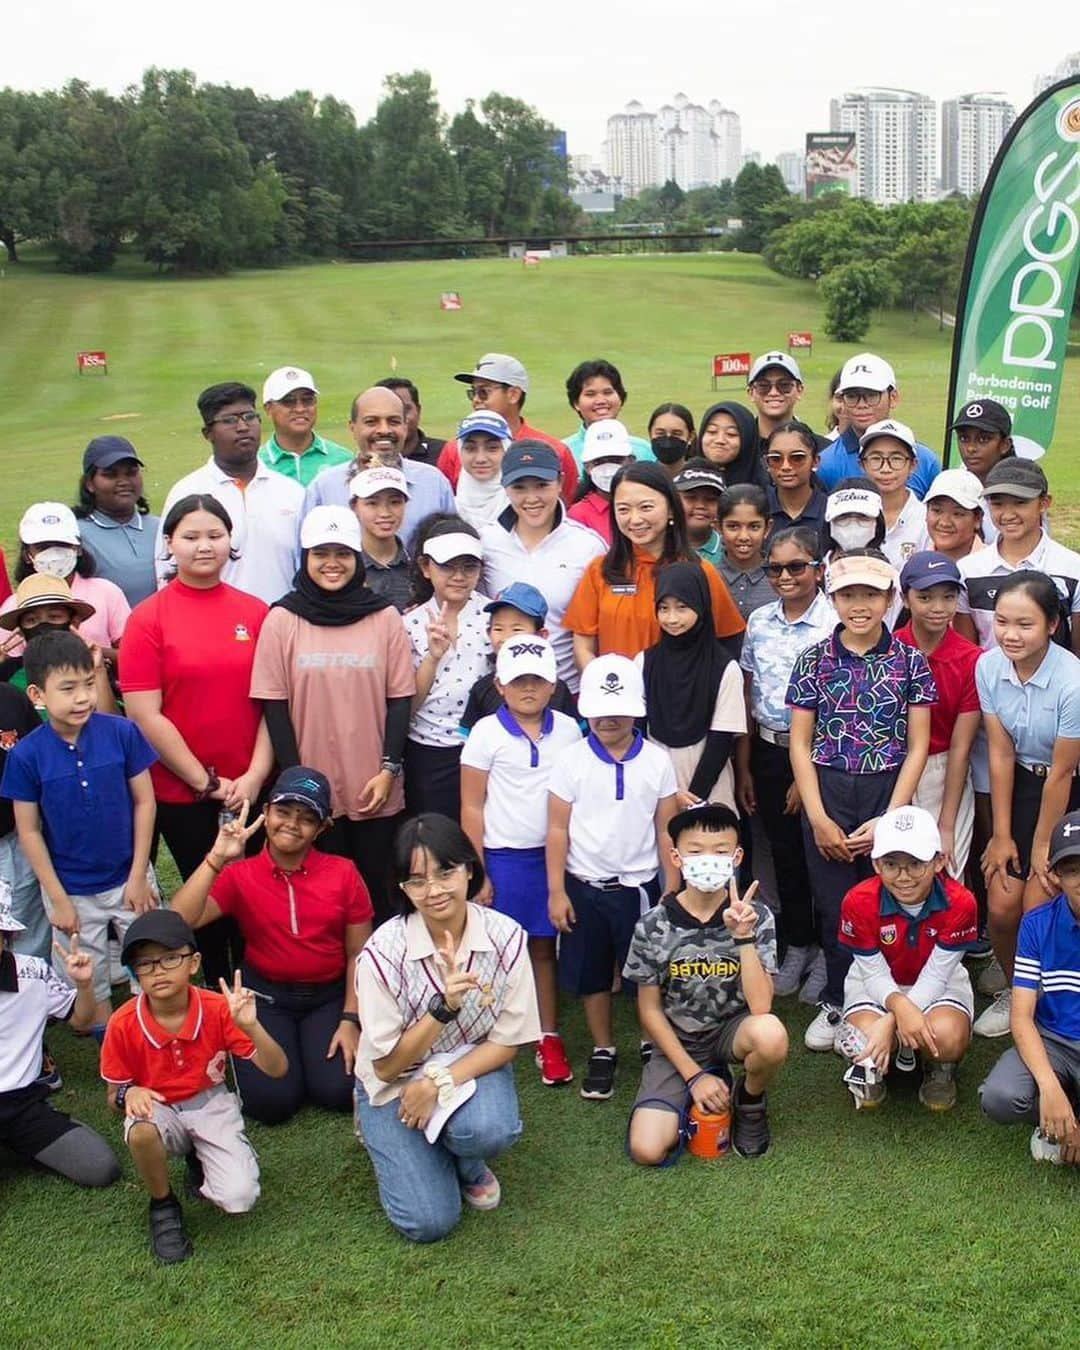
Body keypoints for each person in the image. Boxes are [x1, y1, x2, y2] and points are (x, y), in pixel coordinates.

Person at [354, 814, 540, 1243]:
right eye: (416, 880)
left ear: (469, 870)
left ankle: (464, 1157)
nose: (434, 891)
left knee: (489, 1128)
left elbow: (507, 1042)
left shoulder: (506, 938)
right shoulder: (382, 954)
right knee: (429, 1222)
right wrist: (443, 1009)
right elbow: (385, 1067)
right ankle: (392, 1133)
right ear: (402, 887)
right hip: (394, 1079)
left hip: (467, 1065)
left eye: (445, 872)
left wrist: (437, 1082)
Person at [121, 494, 273, 986]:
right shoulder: (148, 618)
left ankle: (257, 988)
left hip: (251, 787)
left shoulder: (256, 612)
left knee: (253, 892)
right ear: (170, 544)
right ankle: (212, 989)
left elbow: (273, 703)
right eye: (190, 536)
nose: (204, 546)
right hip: (183, 793)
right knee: (203, 896)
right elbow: (146, 712)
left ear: (231, 542)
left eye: (215, 535)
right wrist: (205, 782)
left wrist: (251, 778)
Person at [787, 550, 936, 1051]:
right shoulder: (813, 659)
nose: (859, 605)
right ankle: (839, 998)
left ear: (890, 599)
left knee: (888, 899)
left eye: (871, 594)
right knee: (835, 905)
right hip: (828, 790)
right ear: (832, 599)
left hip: (886, 789)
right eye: (848, 594)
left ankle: (885, 1002)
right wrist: (818, 818)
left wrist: (890, 819)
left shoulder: (909, 660)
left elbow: (918, 745)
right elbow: (800, 744)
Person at [169, 774, 373, 1124]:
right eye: (284, 812)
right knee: (270, 1104)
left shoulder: (343, 873)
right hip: (263, 996)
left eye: (307, 818)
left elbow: (359, 953)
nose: (292, 825)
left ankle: (310, 1055)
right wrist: (217, 858)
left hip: (327, 996)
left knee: (337, 1090)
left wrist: (350, 1019)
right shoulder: (241, 874)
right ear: (265, 812)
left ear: (322, 828)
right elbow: (178, 921)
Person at [251, 505, 415, 919]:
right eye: (320, 553)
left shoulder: (384, 618)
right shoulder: (282, 620)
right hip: (311, 789)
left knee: (377, 887)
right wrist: (298, 784)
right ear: (304, 559)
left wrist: (388, 770)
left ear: (357, 559)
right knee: (319, 893)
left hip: (373, 783)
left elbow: (399, 699)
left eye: (342, 553)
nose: (332, 564)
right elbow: (275, 705)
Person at [99, 910, 288, 1264]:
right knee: (141, 1131)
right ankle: (162, 1204)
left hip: (209, 1102)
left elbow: (277, 1069)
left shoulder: (218, 1008)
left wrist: (251, 1027)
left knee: (239, 1197)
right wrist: (130, 1093)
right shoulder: (122, 1022)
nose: (157, 971)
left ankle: (198, 1156)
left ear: (193, 962)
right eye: (145, 964)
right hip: (158, 1109)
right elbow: (114, 1095)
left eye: (170, 958)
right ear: (134, 973)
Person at [2, 630, 157, 1035]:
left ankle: (155, 1034)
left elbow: (145, 802)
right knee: (88, 982)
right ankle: (113, 1044)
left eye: (89, 683)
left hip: (129, 877)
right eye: (68, 688)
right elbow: (30, 831)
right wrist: (57, 898)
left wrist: (139, 875)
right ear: (37, 694)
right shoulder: (26, 755)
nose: (83, 697)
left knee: (153, 960)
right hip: (71, 887)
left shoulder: (121, 733)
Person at [547, 654, 679, 1100]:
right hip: (586, 886)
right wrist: (556, 890)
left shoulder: (657, 761)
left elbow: (666, 828)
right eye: (600, 711)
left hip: (640, 889)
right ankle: (603, 1048)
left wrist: (673, 886)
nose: (608, 719)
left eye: (619, 709)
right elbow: (557, 828)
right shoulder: (571, 761)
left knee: (646, 974)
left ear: (637, 709)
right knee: (592, 975)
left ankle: (650, 1041)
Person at [624, 803, 787, 1163]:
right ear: (676, 856)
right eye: (695, 851)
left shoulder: (756, 916)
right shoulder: (652, 924)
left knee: (771, 1034)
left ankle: (749, 1100)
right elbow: (648, 1010)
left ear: (737, 856)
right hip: (678, 1039)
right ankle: (707, 1082)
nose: (707, 859)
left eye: (720, 851)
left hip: (733, 1030)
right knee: (647, 1149)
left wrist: (743, 937)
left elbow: (761, 1007)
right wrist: (694, 1076)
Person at [461, 636, 582, 1087]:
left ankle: (547, 1035)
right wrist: (478, 871)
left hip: (554, 858)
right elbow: (472, 806)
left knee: (543, 949)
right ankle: (489, 1036)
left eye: (537, 680)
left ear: (553, 684)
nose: (528, 688)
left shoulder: (570, 729)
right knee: (494, 952)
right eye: (518, 681)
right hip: (503, 857)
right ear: (500, 684)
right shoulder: (485, 734)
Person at [974, 572, 1080, 1039]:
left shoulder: (1073, 679)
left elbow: (1061, 772)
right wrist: (1001, 834)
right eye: (1001, 622)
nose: (1010, 635)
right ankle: (1017, 991)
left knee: (1040, 899)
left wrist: (1042, 847)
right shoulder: (988, 667)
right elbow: (999, 753)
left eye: (1025, 624)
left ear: (1053, 624)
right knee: (1001, 904)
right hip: (1018, 787)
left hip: (1068, 790)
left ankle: (1051, 1003)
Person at [736, 526, 836, 997]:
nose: (785, 576)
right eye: (774, 569)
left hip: (818, 756)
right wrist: (745, 763)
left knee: (819, 855)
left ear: (818, 568)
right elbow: (749, 690)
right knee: (783, 854)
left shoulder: (834, 623)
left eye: (797, 566)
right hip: (769, 750)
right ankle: (797, 944)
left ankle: (825, 949)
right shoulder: (759, 621)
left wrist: (807, 773)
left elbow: (837, 706)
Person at [837, 807, 977, 1113]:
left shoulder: (961, 902)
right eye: (891, 864)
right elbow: (872, 974)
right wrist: (899, 1008)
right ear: (875, 864)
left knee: (947, 1038)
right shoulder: (857, 901)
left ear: (939, 861)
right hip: (876, 983)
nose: (903, 876)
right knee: (859, 1040)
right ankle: (872, 1067)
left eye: (916, 864)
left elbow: (938, 975)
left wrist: (892, 1018)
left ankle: (939, 1067)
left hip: (939, 986)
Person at [564, 462, 745, 665]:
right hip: (616, 693)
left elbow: (728, 640)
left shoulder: (699, 571)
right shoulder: (600, 571)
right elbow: (583, 645)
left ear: (670, 509)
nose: (635, 519)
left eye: (646, 507)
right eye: (623, 509)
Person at [980, 809, 1080, 1167]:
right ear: (1054, 875)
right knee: (1000, 1096)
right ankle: (1056, 1110)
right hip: (1054, 1043)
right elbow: (1021, 1017)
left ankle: (1067, 1120)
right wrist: (1050, 1088)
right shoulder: (1038, 925)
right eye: (1072, 870)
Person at [0, 905, 120, 1189]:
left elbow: (82, 1020)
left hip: (22, 1106)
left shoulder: (32, 973)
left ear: (5, 936)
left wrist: (84, 986)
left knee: (100, 1169)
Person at [154, 383, 304, 606]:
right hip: (212, 627)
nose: (243, 426)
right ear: (208, 434)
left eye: (249, 416)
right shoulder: (187, 492)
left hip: (284, 624)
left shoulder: (292, 492)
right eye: (230, 420)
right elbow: (166, 570)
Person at [481, 442, 605, 690]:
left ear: (560, 482)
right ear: (505, 488)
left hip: (567, 690)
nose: (531, 498)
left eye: (541, 486)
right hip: (504, 690)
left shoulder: (589, 547)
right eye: (519, 488)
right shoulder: (485, 541)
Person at [894, 553, 980, 881]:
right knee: (898, 871)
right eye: (925, 597)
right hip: (893, 765)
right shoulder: (888, 650)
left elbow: (961, 747)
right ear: (905, 598)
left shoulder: (971, 660)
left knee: (946, 871)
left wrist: (946, 823)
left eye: (948, 597)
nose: (938, 607)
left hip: (944, 772)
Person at [403, 518, 491, 821]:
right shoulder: (408, 624)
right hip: (429, 752)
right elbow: (407, 706)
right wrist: (433, 656)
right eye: (447, 567)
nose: (459, 576)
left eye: (468, 567)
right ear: (426, 568)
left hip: (485, 748)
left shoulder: (494, 617)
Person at [638, 564, 746, 812]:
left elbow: (721, 740)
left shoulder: (724, 668)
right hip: (656, 788)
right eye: (663, 608)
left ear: (701, 606)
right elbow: (638, 733)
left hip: (708, 788)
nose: (672, 618)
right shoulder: (644, 662)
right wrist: (667, 792)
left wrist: (694, 799)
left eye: (682, 607)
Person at [302, 387, 456, 553]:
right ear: (352, 427)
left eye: (394, 421)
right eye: (371, 422)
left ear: (405, 426)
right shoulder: (325, 487)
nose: (384, 430)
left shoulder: (433, 482)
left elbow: (451, 548)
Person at [955, 459, 1080, 656]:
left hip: (1057, 685)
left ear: (1044, 503)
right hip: (989, 684)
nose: (1007, 514)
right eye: (997, 504)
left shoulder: (1072, 568)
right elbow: (967, 650)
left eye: (1020, 503)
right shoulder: (968, 570)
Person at [438, 353, 579, 499]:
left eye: (483, 392)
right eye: (473, 392)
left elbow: (566, 504)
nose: (475, 400)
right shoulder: (453, 450)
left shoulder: (555, 450)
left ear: (513, 394)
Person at [1, 502, 130, 660]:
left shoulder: (107, 593)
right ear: (27, 555)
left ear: (78, 548)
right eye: (43, 547)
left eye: (62, 545)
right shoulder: (14, 606)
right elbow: (10, 667)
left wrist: (87, 651)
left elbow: (132, 656)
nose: (54, 553)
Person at [816, 354, 941, 497]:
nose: (862, 404)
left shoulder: (926, 461)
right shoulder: (826, 463)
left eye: (871, 395)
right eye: (852, 396)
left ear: (893, 398)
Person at [458, 583, 577, 733]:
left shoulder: (557, 689)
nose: (506, 637)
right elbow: (470, 740)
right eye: (498, 629)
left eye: (517, 629)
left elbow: (576, 739)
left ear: (541, 635)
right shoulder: (483, 688)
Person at [0, 574, 116, 714]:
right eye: (31, 620)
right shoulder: (8, 671)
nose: (43, 626)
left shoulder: (91, 666)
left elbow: (113, 725)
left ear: (73, 622)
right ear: (21, 630)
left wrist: (98, 670)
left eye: (54, 617)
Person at [73, 436, 160, 607]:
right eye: (110, 474)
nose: (124, 482)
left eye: (131, 473)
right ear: (90, 483)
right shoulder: (76, 535)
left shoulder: (161, 527)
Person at [0, 676, 44, 957]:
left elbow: (40, 758)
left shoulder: (10, 698)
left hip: (18, 834)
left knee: (28, 913)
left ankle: (37, 991)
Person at [258, 365, 352, 487]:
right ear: (268, 409)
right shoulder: (256, 464)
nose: (300, 409)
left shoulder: (343, 460)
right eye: (289, 401)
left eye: (307, 400)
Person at [857, 419, 931, 570]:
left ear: (913, 465)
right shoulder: (851, 514)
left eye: (896, 459)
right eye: (876, 459)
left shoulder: (926, 520)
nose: (885, 469)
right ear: (862, 465)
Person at [562, 359, 652, 468]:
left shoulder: (644, 450)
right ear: (576, 403)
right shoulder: (563, 451)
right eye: (590, 394)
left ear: (620, 398)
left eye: (608, 392)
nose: (601, 401)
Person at [348, 464, 413, 612]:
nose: (384, 513)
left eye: (395, 502)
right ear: (354, 506)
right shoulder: (346, 567)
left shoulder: (419, 565)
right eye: (372, 503)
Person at [568, 419, 637, 543]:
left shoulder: (645, 502)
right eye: (599, 462)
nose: (607, 469)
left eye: (615, 459)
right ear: (587, 467)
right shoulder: (578, 515)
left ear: (631, 461)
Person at [714, 486, 775, 623]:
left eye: (754, 527)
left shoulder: (779, 578)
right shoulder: (708, 578)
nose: (743, 536)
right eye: (733, 526)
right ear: (718, 527)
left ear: (767, 528)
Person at [746, 351, 828, 449]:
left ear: (799, 390)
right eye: (763, 386)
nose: (773, 393)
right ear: (751, 392)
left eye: (784, 385)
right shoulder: (737, 450)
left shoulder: (822, 450)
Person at [763, 420, 828, 542]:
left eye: (797, 458)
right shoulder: (757, 508)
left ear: (815, 461)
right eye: (776, 459)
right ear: (767, 462)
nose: (785, 466)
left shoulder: (830, 511)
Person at [948, 399, 1016, 512]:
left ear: (1005, 445)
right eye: (964, 438)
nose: (971, 448)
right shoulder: (954, 487)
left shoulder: (1019, 492)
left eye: (983, 439)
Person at [454, 410, 512, 530]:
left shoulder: (522, 506)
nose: (480, 459)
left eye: (492, 448)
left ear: (507, 450)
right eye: (470, 448)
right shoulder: (450, 507)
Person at [374, 376, 446, 466]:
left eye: (405, 409)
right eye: (385, 409)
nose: (398, 418)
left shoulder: (445, 453)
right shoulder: (365, 460)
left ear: (418, 411)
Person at [697, 402, 769, 490]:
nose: (720, 440)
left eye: (731, 434)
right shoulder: (685, 481)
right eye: (712, 431)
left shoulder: (765, 489)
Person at [673, 459, 727, 569]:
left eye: (710, 499)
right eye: (691, 498)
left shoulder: (729, 550)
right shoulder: (659, 546)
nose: (701, 505)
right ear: (674, 500)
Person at [923, 469, 986, 563]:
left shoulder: (993, 570)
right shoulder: (916, 565)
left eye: (957, 514)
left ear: (977, 519)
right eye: (937, 511)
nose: (944, 523)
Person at [647, 403, 697, 477]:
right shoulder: (641, 480)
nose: (668, 440)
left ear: (691, 436)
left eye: (676, 434)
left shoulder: (700, 481)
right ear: (650, 433)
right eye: (660, 433)